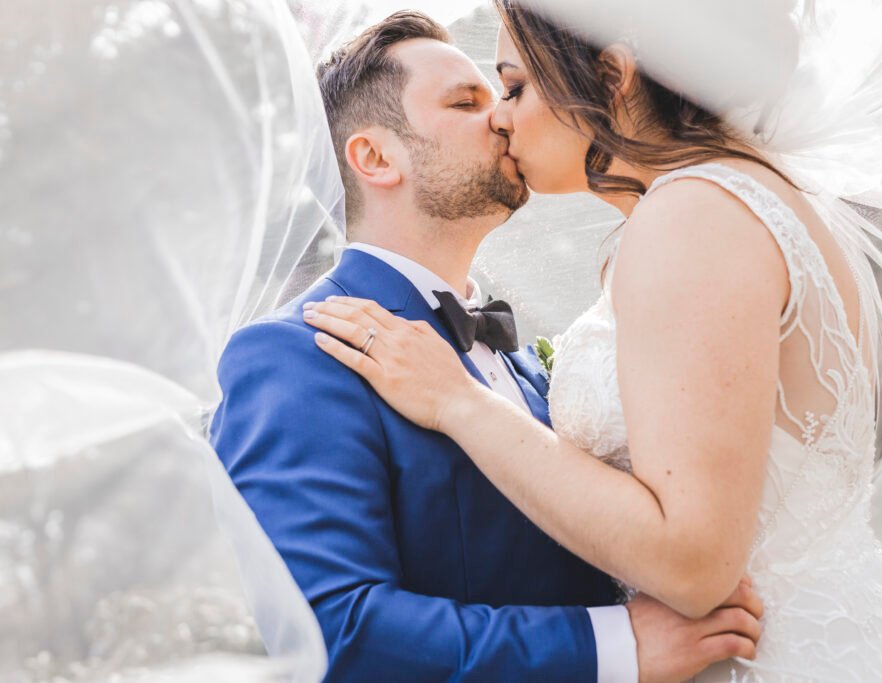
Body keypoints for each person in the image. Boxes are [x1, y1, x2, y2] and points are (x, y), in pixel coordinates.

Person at [302, 2, 882, 680]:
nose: (501, 117)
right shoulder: (750, 195)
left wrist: (460, 402)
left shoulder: (691, 214)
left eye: (514, 86)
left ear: (612, 76)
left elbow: (692, 564)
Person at [211, 10, 763, 683]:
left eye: (504, 95)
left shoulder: (522, 362)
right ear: (376, 157)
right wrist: (614, 646)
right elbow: (333, 629)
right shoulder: (295, 356)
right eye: (466, 102)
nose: (503, 117)